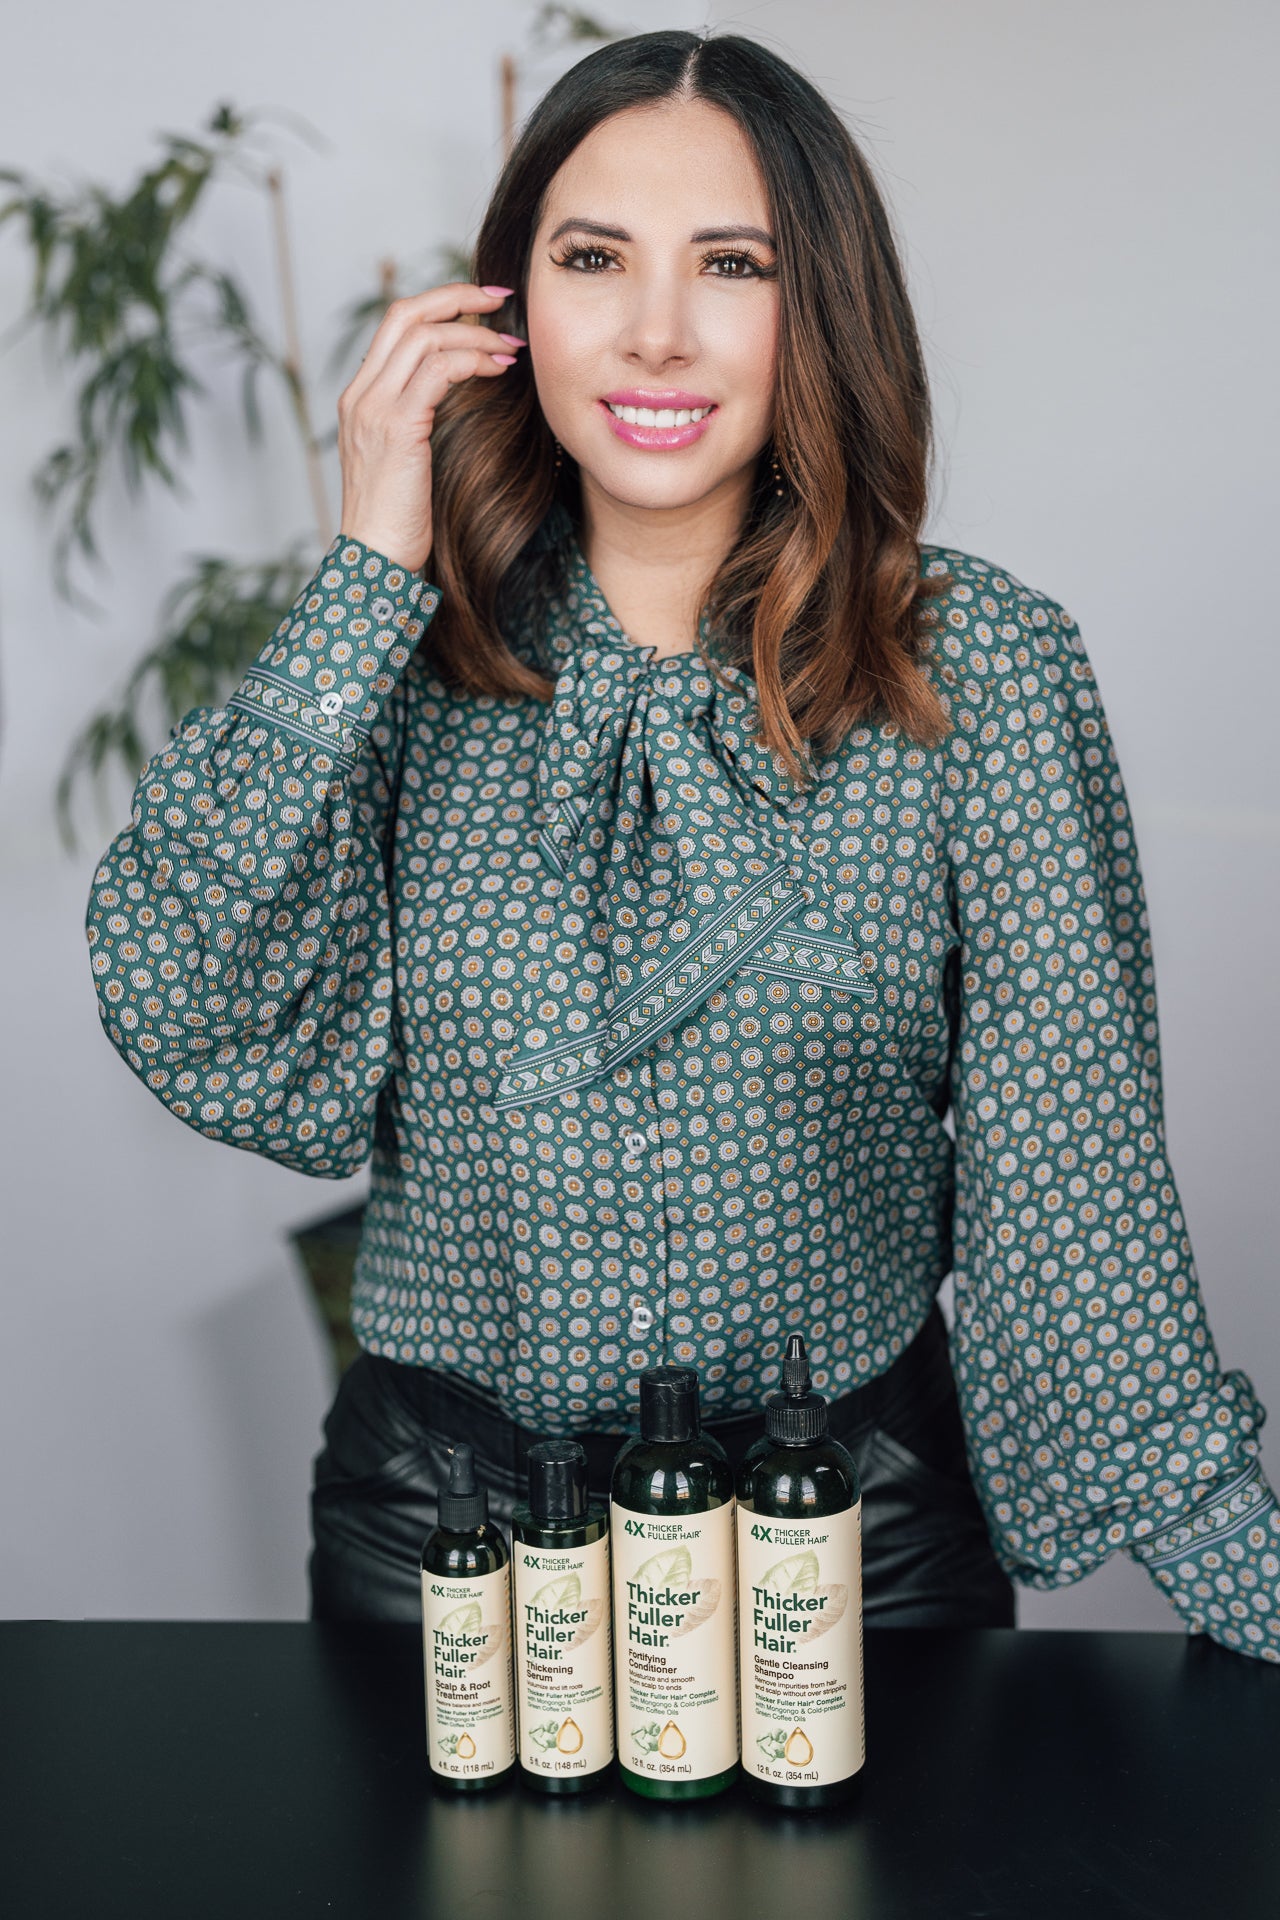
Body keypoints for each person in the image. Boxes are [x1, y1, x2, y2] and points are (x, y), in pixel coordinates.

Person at [85, 29, 1277, 1657]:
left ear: (822, 309)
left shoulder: (981, 669)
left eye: (733, 264)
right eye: (594, 259)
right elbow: (188, 999)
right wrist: (367, 564)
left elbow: (1070, 1163)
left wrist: (1230, 1552)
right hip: (447, 1537)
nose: (656, 329)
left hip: (857, 1531)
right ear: (510, 306)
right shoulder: (395, 666)